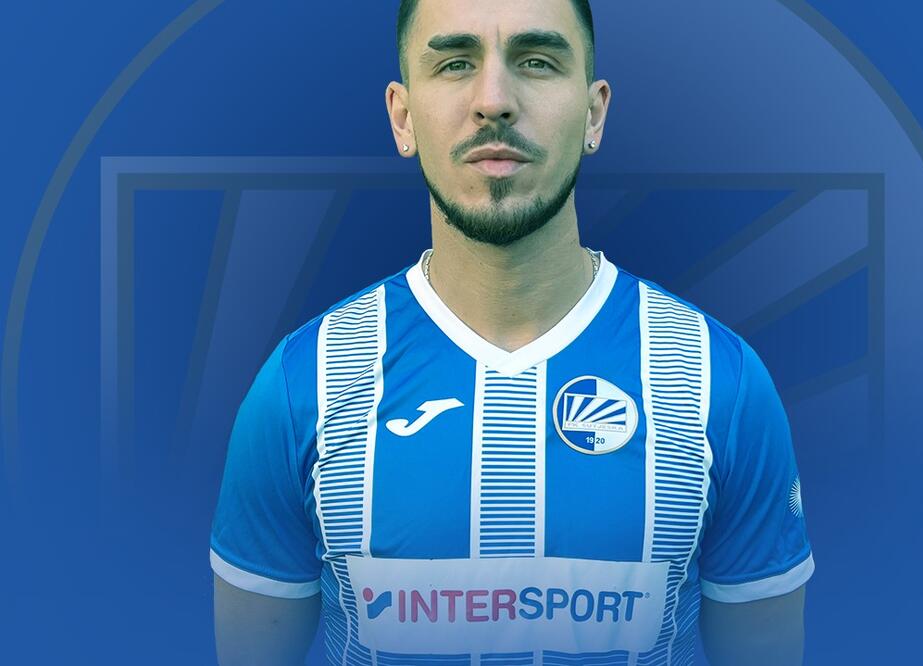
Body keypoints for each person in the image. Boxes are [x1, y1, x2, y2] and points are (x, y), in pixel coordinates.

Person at [209, 0, 815, 664]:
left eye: (536, 61)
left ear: (594, 113)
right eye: (454, 63)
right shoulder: (303, 384)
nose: (494, 101)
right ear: (403, 117)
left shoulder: (719, 382)